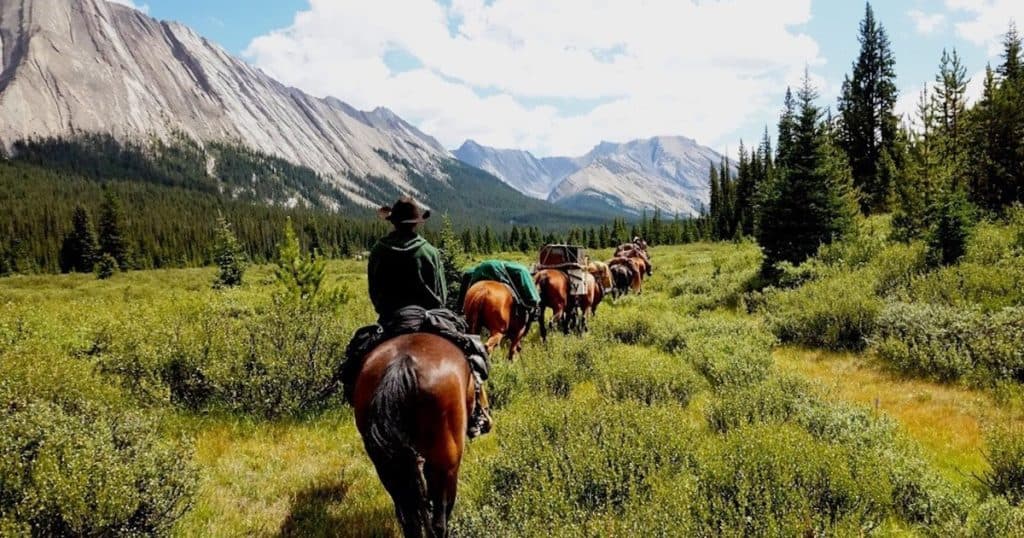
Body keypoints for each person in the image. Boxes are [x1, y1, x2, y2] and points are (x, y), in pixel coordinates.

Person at [345, 197, 492, 438]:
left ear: (393, 222)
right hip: (428, 317)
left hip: (392, 319)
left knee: (354, 360)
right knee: (471, 352)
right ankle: (478, 411)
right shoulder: (429, 251)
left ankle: (357, 400)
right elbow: (440, 294)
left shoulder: (379, 250)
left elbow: (374, 292)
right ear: (416, 224)